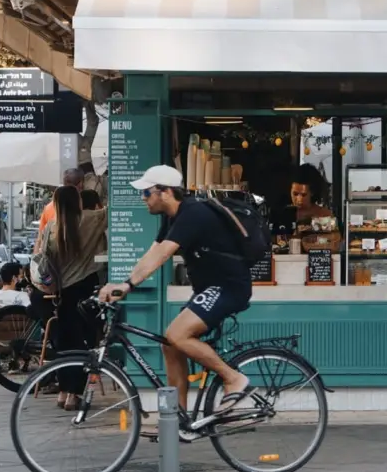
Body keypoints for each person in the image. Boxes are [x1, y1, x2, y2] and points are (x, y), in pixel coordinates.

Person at [98, 165, 253, 441]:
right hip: (210, 288)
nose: (143, 198)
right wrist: (123, 284)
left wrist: (128, 285)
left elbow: (163, 255)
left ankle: (233, 379)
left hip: (228, 287)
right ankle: (178, 420)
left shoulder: (193, 214)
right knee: (170, 344)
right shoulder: (174, 218)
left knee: (176, 334)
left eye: (147, 192)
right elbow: (152, 253)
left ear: (166, 192)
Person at [40, 185, 108, 409]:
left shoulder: (51, 227)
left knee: (65, 342)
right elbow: (114, 211)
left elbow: (44, 262)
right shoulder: (90, 220)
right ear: (77, 201)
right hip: (85, 288)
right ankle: (74, 395)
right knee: (83, 343)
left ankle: (62, 391)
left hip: (62, 292)